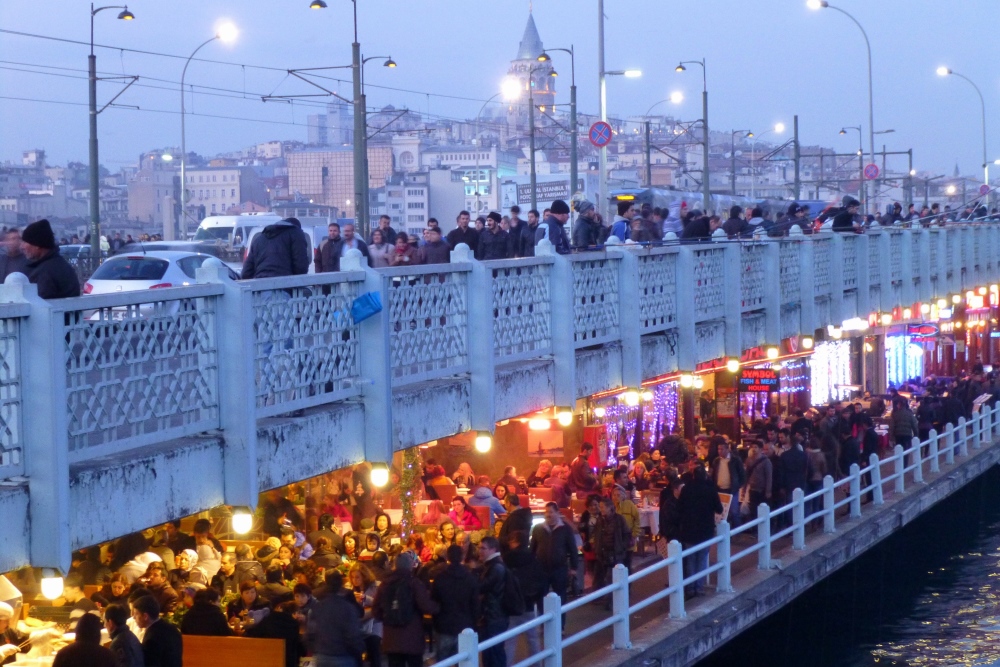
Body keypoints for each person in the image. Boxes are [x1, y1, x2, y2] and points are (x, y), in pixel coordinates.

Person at [373, 551, 439, 667]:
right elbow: (426, 606)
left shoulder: (384, 584)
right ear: (410, 566)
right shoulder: (414, 583)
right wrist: (439, 607)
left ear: (395, 566)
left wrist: (388, 618)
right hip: (412, 637)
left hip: (391, 639)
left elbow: (376, 610)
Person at [676, 467, 722, 597]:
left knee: (690, 559)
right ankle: (699, 587)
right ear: (705, 476)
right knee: (702, 558)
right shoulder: (710, 490)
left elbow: (679, 508)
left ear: (693, 476)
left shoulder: (686, 489)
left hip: (688, 529)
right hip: (705, 529)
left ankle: (690, 588)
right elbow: (719, 509)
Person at [430, 544, 480, 660]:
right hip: (465, 625)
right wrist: (474, 622)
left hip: (444, 625)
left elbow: (434, 601)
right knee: (464, 661)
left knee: (443, 660)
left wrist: (436, 621)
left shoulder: (440, 578)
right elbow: (475, 604)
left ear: (447, 557)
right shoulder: (470, 578)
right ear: (462, 556)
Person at [307, 571, 366, 667]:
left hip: (322, 654)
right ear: (341, 582)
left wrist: (316, 649)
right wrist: (359, 649)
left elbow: (310, 632)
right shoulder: (347, 603)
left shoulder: (317, 600)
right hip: (343, 655)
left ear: (325, 580)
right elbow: (352, 633)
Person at [530, 503, 578, 608]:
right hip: (542, 569)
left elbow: (572, 549)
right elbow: (532, 548)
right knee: (541, 597)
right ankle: (543, 618)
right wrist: (531, 566)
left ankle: (560, 618)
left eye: (551, 512)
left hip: (559, 569)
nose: (548, 514)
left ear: (557, 513)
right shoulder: (538, 528)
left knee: (560, 597)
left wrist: (574, 567)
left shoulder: (565, 529)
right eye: (546, 512)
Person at [20, 219, 80, 298]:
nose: (22, 247)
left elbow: (39, 302)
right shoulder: (60, 265)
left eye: (25, 242)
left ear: (37, 244)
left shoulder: (44, 273)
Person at [477, 536, 509, 667]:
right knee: (493, 653)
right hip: (495, 616)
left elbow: (483, 587)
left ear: (493, 549)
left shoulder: (495, 568)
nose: (479, 551)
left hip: (494, 616)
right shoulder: (495, 565)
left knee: (493, 654)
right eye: (479, 548)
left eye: (483, 548)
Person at [242, 217, 310, 279]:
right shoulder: (296, 233)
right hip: (284, 284)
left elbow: (246, 273)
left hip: (259, 285)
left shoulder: (259, 239)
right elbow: (301, 268)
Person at [246, 600, 305, 667]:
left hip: (267, 661)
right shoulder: (294, 624)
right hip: (288, 663)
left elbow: (253, 633)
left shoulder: (269, 619)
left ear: (279, 608)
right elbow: (299, 647)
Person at [131, 595, 182, 667]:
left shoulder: (151, 639)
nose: (133, 617)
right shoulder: (173, 629)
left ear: (145, 616)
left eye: (136, 614)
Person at [711, 441, 746, 528]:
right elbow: (713, 475)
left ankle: (738, 529)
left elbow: (742, 474)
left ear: (727, 449)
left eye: (722, 449)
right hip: (719, 490)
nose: (720, 451)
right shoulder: (716, 461)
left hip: (732, 490)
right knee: (721, 512)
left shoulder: (735, 460)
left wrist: (738, 485)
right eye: (718, 449)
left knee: (734, 512)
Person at [104, 603, 144, 667]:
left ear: (110, 623)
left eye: (105, 622)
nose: (104, 625)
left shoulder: (117, 643)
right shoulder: (131, 635)